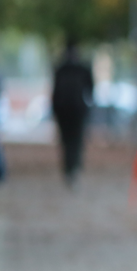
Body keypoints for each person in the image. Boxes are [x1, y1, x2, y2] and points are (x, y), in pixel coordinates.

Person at [51, 38, 95, 188]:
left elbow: (55, 91)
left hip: (63, 110)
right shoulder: (83, 68)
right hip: (77, 109)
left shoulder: (60, 68)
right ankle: (73, 167)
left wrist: (54, 110)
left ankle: (69, 167)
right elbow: (91, 89)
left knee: (66, 140)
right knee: (76, 140)